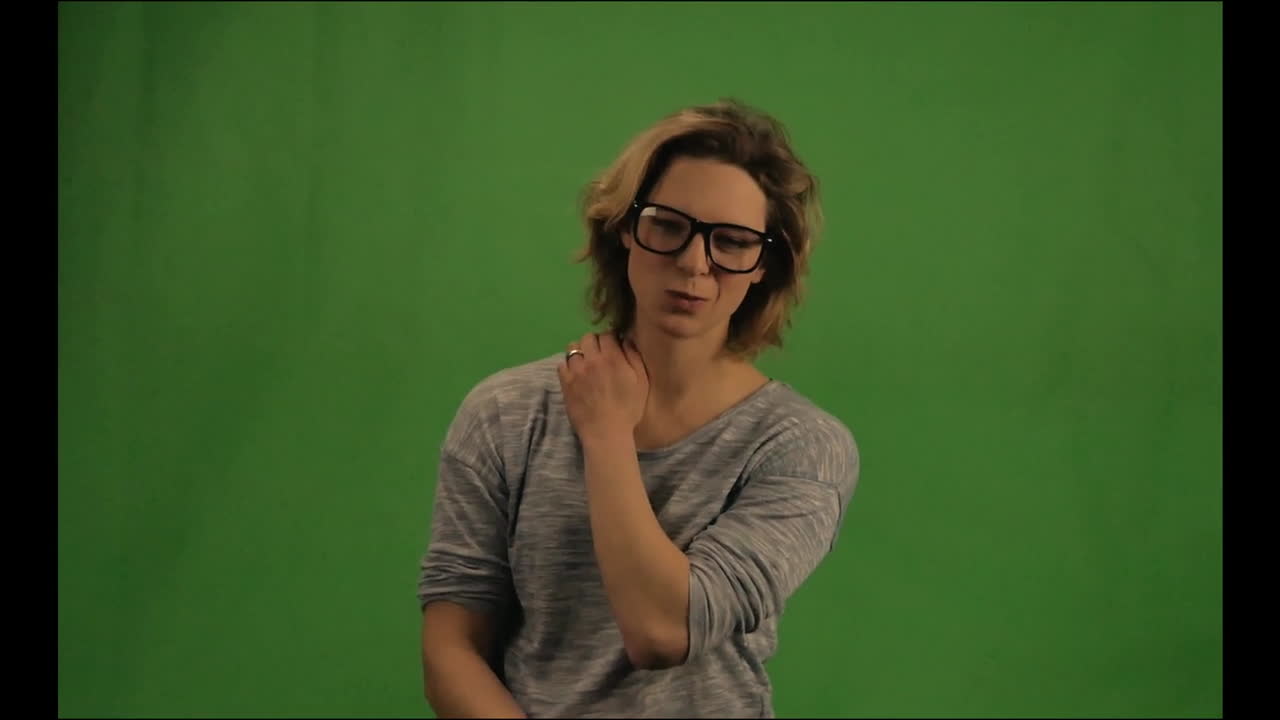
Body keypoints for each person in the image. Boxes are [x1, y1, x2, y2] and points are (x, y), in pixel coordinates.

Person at [416, 99, 860, 718]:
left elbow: (663, 631)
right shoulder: (505, 413)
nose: (694, 263)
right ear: (625, 228)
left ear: (764, 265)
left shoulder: (801, 446)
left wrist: (606, 434)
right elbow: (452, 647)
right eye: (668, 225)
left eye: (732, 242)